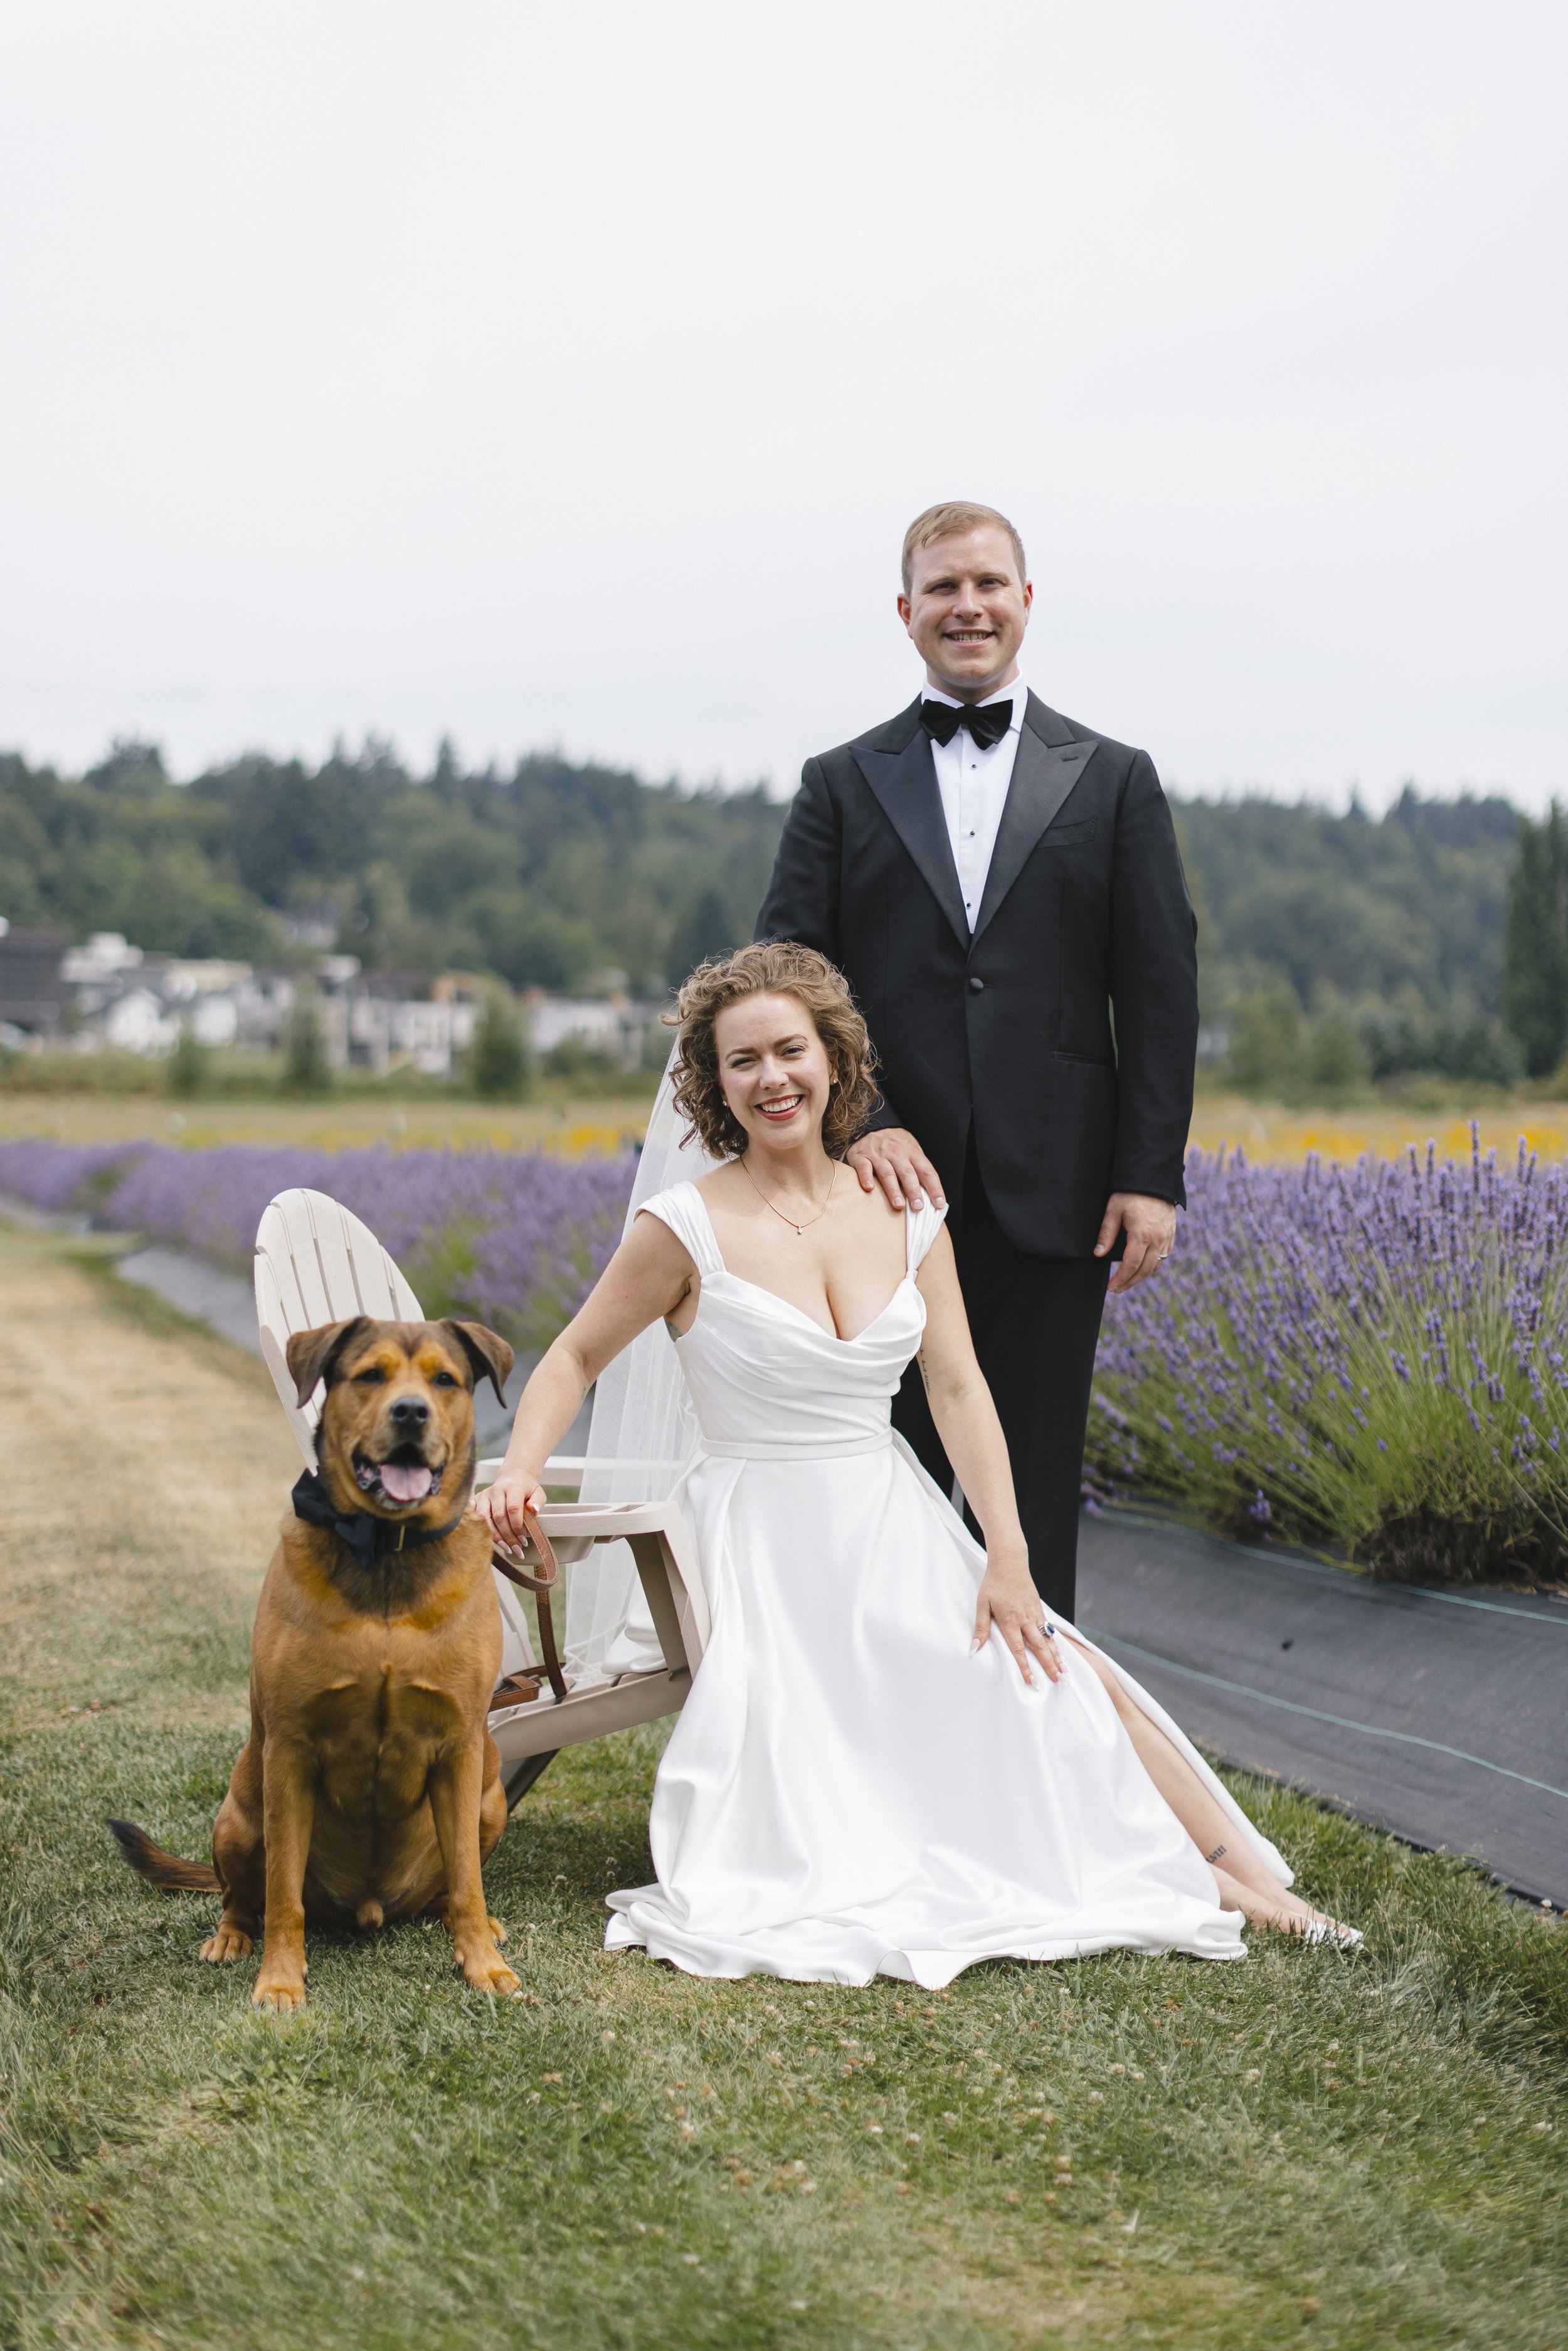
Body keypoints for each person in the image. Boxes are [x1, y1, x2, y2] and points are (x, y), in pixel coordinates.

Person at [477, 943, 1354, 1987]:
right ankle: (1216, 1890)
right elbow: (574, 1354)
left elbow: (958, 1388)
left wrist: (1008, 1556)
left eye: (791, 1050)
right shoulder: (684, 1225)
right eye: (742, 1061)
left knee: (1062, 1671)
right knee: (990, 1690)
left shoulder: (904, 1208)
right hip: (759, 1539)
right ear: (714, 1088)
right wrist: (519, 1467)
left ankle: (1253, 1890)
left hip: (891, 1513)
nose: (772, 1079)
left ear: (836, 1061)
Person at [755, 501, 1197, 1622]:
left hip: (1059, 1198)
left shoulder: (1116, 780)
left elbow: (1156, 992)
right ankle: (888, 1733)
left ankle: (1034, 1748)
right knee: (878, 1485)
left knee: (1035, 1493)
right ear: (906, 614)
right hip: (873, 1200)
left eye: (989, 584)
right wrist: (863, 1121)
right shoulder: (839, 783)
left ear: (1026, 602)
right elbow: (788, 981)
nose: (968, 606)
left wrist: (1149, 1175)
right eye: (943, 588)